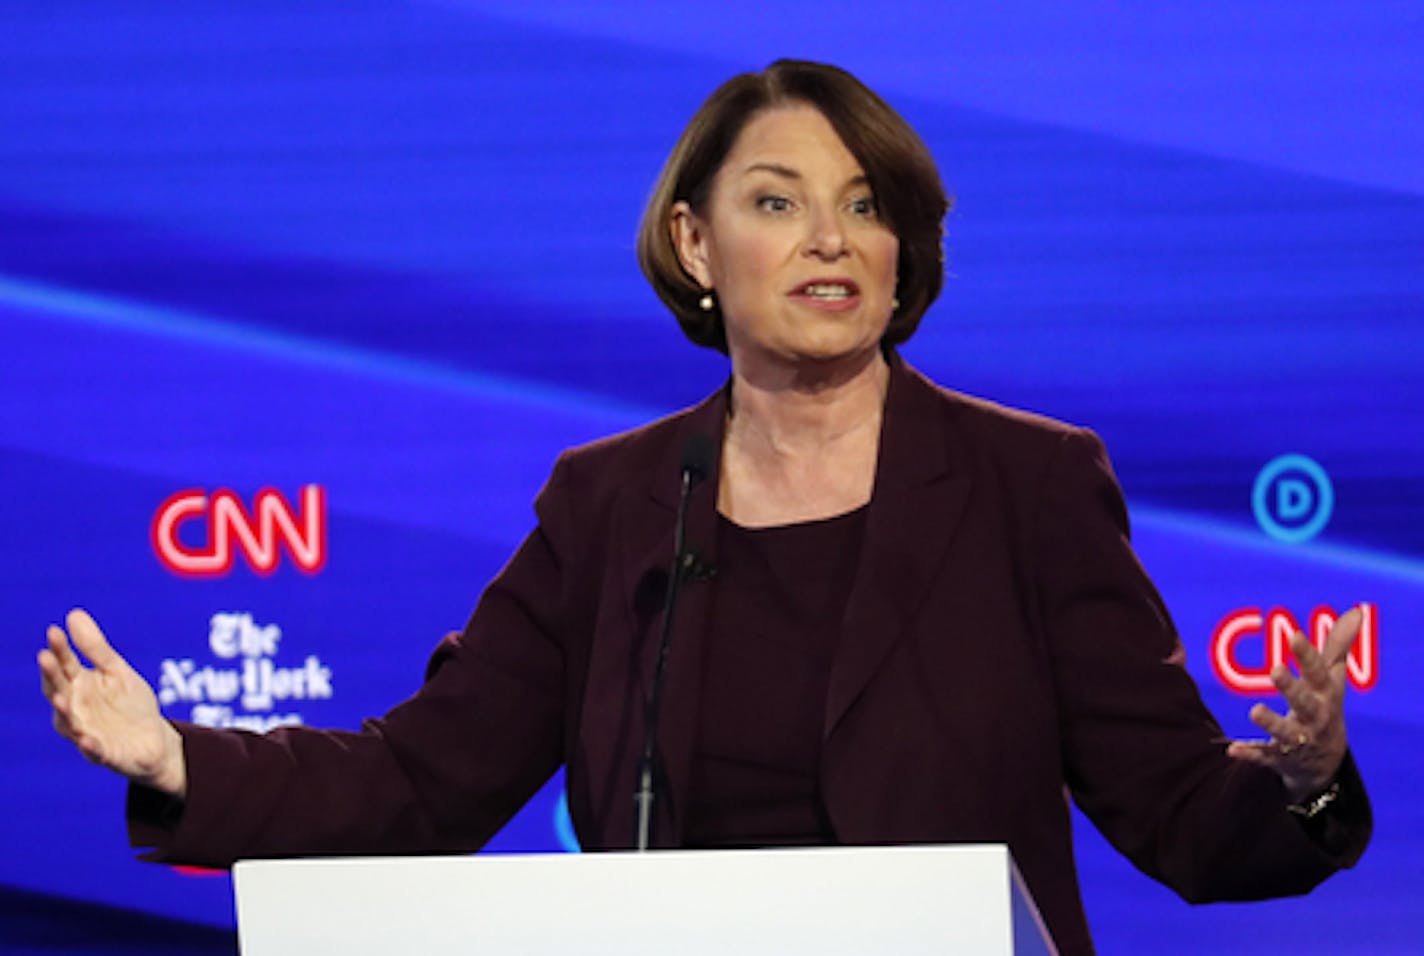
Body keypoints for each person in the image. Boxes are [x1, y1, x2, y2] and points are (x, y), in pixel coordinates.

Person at [38, 59, 1368, 955]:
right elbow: (421, 784)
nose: (831, 241)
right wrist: (180, 763)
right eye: (776, 203)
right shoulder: (613, 506)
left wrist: (1303, 782)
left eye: (866, 207)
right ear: (694, 245)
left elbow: (1183, 819)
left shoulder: (1029, 489)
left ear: (905, 253)